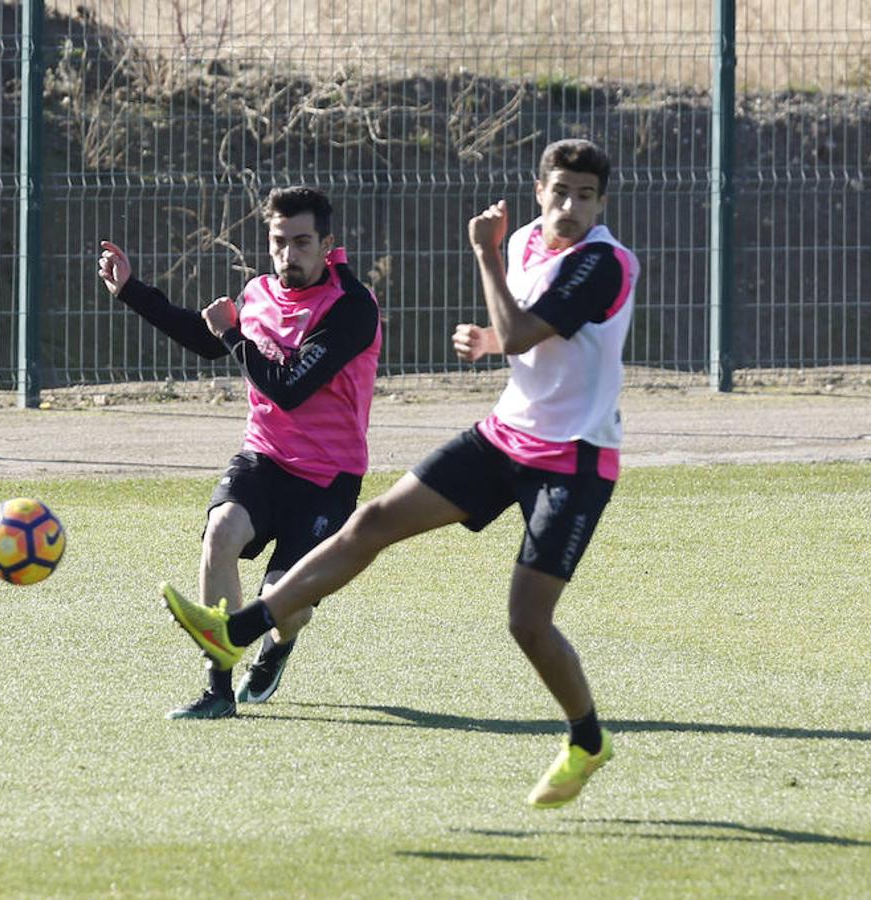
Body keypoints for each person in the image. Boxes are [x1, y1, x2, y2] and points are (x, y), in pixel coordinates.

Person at [160, 139, 638, 807]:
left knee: (527, 622)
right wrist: (490, 336)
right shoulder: (525, 239)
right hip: (505, 435)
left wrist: (484, 259)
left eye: (584, 196)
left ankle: (586, 740)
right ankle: (236, 632)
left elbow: (524, 333)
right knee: (373, 522)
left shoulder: (605, 263)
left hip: (574, 460)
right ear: (539, 191)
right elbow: (531, 332)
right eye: (559, 191)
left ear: (601, 203)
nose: (569, 207)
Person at [99, 186, 382, 719]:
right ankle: (218, 691)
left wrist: (233, 336)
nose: (288, 254)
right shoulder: (259, 293)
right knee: (220, 532)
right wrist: (132, 291)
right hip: (264, 457)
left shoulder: (352, 307)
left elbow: (289, 387)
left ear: (327, 245)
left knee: (286, 605)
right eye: (279, 242)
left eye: (302, 243)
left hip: (328, 479)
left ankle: (277, 644)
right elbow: (207, 337)